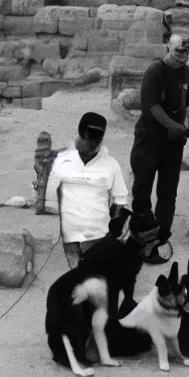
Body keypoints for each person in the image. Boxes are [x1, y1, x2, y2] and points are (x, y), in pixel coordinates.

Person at [130, 34, 189, 263]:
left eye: (186, 52)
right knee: (142, 191)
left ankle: (160, 238)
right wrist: (175, 127)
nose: (183, 56)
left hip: (172, 144)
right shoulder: (155, 72)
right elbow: (151, 106)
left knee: (167, 193)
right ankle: (143, 237)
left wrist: (185, 125)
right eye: (179, 51)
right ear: (168, 49)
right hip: (148, 140)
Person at [45, 112, 131, 269]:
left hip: (96, 232)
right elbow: (52, 195)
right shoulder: (63, 161)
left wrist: (115, 221)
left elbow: (120, 198)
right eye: (89, 141)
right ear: (82, 134)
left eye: (96, 142)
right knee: (77, 271)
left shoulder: (110, 165)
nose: (92, 146)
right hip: (71, 233)